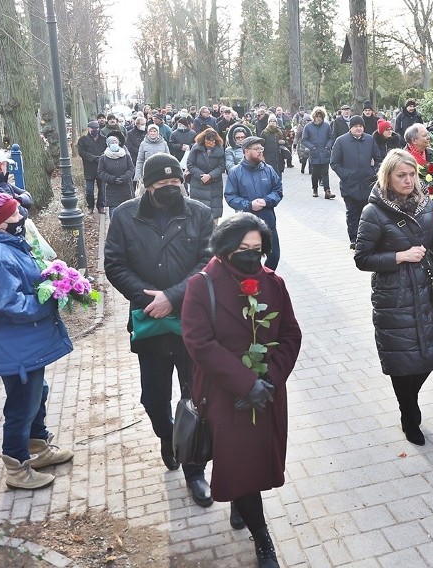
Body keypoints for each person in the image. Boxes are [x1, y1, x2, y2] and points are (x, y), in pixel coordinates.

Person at [182, 213, 301, 568]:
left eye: (258, 249)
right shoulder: (201, 285)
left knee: (255, 461)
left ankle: (241, 502)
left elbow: (291, 334)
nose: (251, 256)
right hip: (225, 391)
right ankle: (263, 539)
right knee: (242, 462)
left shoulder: (273, 283)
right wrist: (245, 383)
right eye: (243, 249)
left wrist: (269, 381)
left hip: (267, 391)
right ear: (225, 247)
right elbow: (199, 343)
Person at [104, 153, 216, 507]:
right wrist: (149, 299)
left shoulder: (199, 212)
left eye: (174, 183)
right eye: (161, 184)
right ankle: (168, 439)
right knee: (153, 400)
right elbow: (114, 263)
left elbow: (208, 261)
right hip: (150, 323)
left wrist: (174, 296)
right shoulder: (124, 216)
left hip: (191, 323)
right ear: (147, 186)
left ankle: (194, 470)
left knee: (195, 399)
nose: (170, 189)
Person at [0, 192, 74, 489]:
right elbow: (5, 304)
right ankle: (16, 468)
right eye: (15, 215)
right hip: (15, 348)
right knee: (21, 406)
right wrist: (49, 300)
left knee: (37, 393)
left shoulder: (7, 245)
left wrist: (53, 279)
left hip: (23, 345)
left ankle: (37, 447)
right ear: (0, 224)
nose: (21, 218)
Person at [354, 150, 433, 445]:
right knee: (402, 362)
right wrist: (399, 256)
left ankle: (409, 404)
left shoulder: (424, 206)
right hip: (394, 297)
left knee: (426, 359)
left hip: (425, 293)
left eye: (412, 174)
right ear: (387, 176)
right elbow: (362, 258)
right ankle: (409, 414)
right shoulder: (373, 212)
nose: (409, 180)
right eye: (402, 175)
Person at [225, 137, 284, 270]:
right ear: (246, 151)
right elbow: (230, 197)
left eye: (261, 149)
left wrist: (266, 201)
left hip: (268, 220)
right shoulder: (235, 172)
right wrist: (249, 205)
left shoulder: (268, 170)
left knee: (274, 256)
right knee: (252, 259)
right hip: (246, 222)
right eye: (256, 149)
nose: (260, 151)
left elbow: (278, 190)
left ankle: (267, 278)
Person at [330, 116, 383, 249]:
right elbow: (334, 163)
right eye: (355, 126)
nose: (358, 128)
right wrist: (346, 175)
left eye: (361, 126)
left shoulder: (370, 140)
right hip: (349, 185)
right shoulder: (341, 141)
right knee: (352, 214)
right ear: (351, 128)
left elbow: (378, 159)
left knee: (368, 214)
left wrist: (373, 172)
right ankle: (354, 239)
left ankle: (367, 239)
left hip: (367, 184)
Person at [187, 128, 227, 221]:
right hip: (198, 184)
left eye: (213, 140)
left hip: (215, 184)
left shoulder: (219, 149)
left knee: (214, 215)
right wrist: (201, 175)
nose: (210, 143)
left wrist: (210, 175)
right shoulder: (196, 148)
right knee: (198, 213)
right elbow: (190, 164)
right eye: (208, 140)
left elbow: (222, 166)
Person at [96, 135, 135, 219]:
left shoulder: (126, 156)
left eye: (116, 142)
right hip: (111, 189)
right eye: (112, 142)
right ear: (108, 144)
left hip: (125, 188)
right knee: (113, 211)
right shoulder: (103, 158)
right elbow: (101, 172)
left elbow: (131, 169)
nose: (114, 144)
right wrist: (112, 179)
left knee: (127, 210)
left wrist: (124, 178)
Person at [301, 107, 335, 199]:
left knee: (325, 173)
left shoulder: (326, 126)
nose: (319, 118)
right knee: (315, 173)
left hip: (325, 152)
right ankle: (315, 189)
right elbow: (304, 140)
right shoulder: (308, 127)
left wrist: (328, 146)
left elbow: (331, 137)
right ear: (314, 117)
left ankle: (327, 191)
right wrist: (312, 147)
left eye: (320, 116)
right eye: (317, 116)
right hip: (314, 153)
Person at [76, 122, 107, 214]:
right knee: (89, 190)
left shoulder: (104, 139)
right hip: (89, 168)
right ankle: (90, 207)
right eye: (93, 128)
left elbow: (107, 150)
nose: (95, 130)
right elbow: (81, 152)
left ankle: (100, 206)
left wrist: (101, 157)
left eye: (97, 128)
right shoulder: (83, 140)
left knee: (102, 189)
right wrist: (93, 158)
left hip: (101, 168)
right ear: (88, 129)